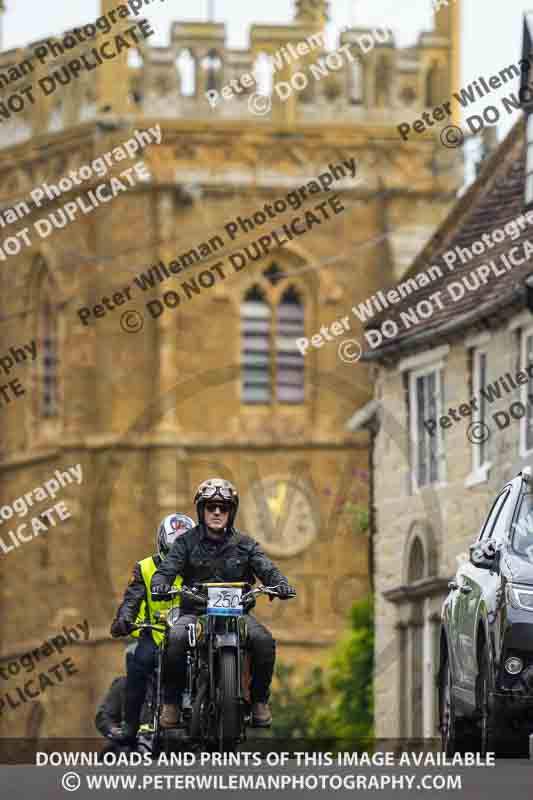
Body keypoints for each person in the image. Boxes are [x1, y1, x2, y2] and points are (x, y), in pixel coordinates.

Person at [151, 478, 296, 728]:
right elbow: (167, 569)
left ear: (232, 511)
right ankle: (171, 702)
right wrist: (160, 583)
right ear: (201, 510)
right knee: (174, 639)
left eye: (224, 507)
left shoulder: (246, 544)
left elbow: (267, 568)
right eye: (211, 507)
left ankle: (260, 701)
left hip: (238, 615)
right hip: (195, 614)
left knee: (264, 641)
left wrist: (280, 584)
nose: (217, 512)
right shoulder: (186, 542)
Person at [109, 513, 195, 741]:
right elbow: (131, 599)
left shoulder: (200, 570)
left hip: (192, 633)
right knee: (139, 665)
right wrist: (124, 619)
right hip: (156, 633)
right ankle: (130, 724)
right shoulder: (145, 567)